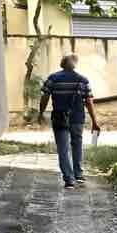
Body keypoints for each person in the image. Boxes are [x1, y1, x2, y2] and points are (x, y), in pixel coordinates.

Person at [38, 54, 102, 189]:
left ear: (62, 63)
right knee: (77, 144)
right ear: (75, 63)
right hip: (77, 118)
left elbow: (45, 96)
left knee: (63, 149)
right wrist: (94, 121)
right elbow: (89, 102)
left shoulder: (53, 78)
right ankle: (78, 174)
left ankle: (69, 179)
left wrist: (41, 112)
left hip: (59, 118)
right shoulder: (83, 80)